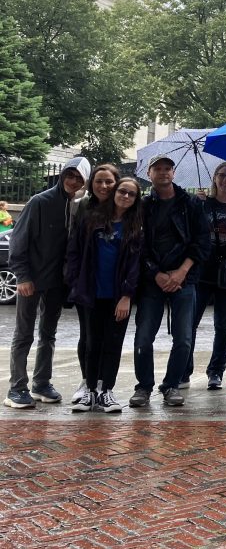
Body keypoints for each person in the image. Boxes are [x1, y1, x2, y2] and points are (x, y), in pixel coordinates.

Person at [5, 157, 90, 409]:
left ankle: (41, 382)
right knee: (23, 334)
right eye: (69, 174)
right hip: (31, 280)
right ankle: (16, 387)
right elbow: (18, 242)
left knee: (48, 334)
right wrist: (23, 276)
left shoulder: (76, 207)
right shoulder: (39, 202)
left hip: (57, 283)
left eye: (79, 177)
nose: (73, 180)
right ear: (62, 174)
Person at [130, 155, 211, 408]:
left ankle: (172, 385)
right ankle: (143, 386)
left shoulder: (191, 204)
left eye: (168, 168)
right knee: (144, 337)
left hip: (184, 279)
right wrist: (156, 273)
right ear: (149, 173)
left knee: (184, 338)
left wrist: (181, 272)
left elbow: (202, 242)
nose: (163, 173)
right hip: (152, 279)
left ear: (174, 173)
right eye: (158, 169)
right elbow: (137, 245)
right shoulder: (142, 206)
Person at [64, 177, 144, 413]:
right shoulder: (93, 219)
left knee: (113, 343)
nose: (126, 197)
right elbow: (75, 250)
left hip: (118, 296)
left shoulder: (135, 226)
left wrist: (127, 296)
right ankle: (89, 391)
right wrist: (74, 281)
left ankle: (106, 390)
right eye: (122, 191)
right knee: (92, 342)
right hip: (91, 292)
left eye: (131, 194)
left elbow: (135, 264)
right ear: (114, 192)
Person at [186, 162, 226, 391]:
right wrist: (195, 204)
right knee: (190, 323)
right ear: (215, 178)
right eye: (221, 175)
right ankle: (185, 370)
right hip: (202, 270)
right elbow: (191, 230)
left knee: (223, 325)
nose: (225, 180)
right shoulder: (203, 203)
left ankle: (216, 372)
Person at [68, 163, 120, 406]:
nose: (104, 186)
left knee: (110, 338)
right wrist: (73, 279)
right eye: (99, 181)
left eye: (109, 181)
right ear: (91, 184)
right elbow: (74, 246)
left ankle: (103, 385)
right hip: (87, 284)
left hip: (115, 287)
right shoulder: (82, 208)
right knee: (88, 337)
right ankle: (88, 382)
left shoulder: (124, 208)